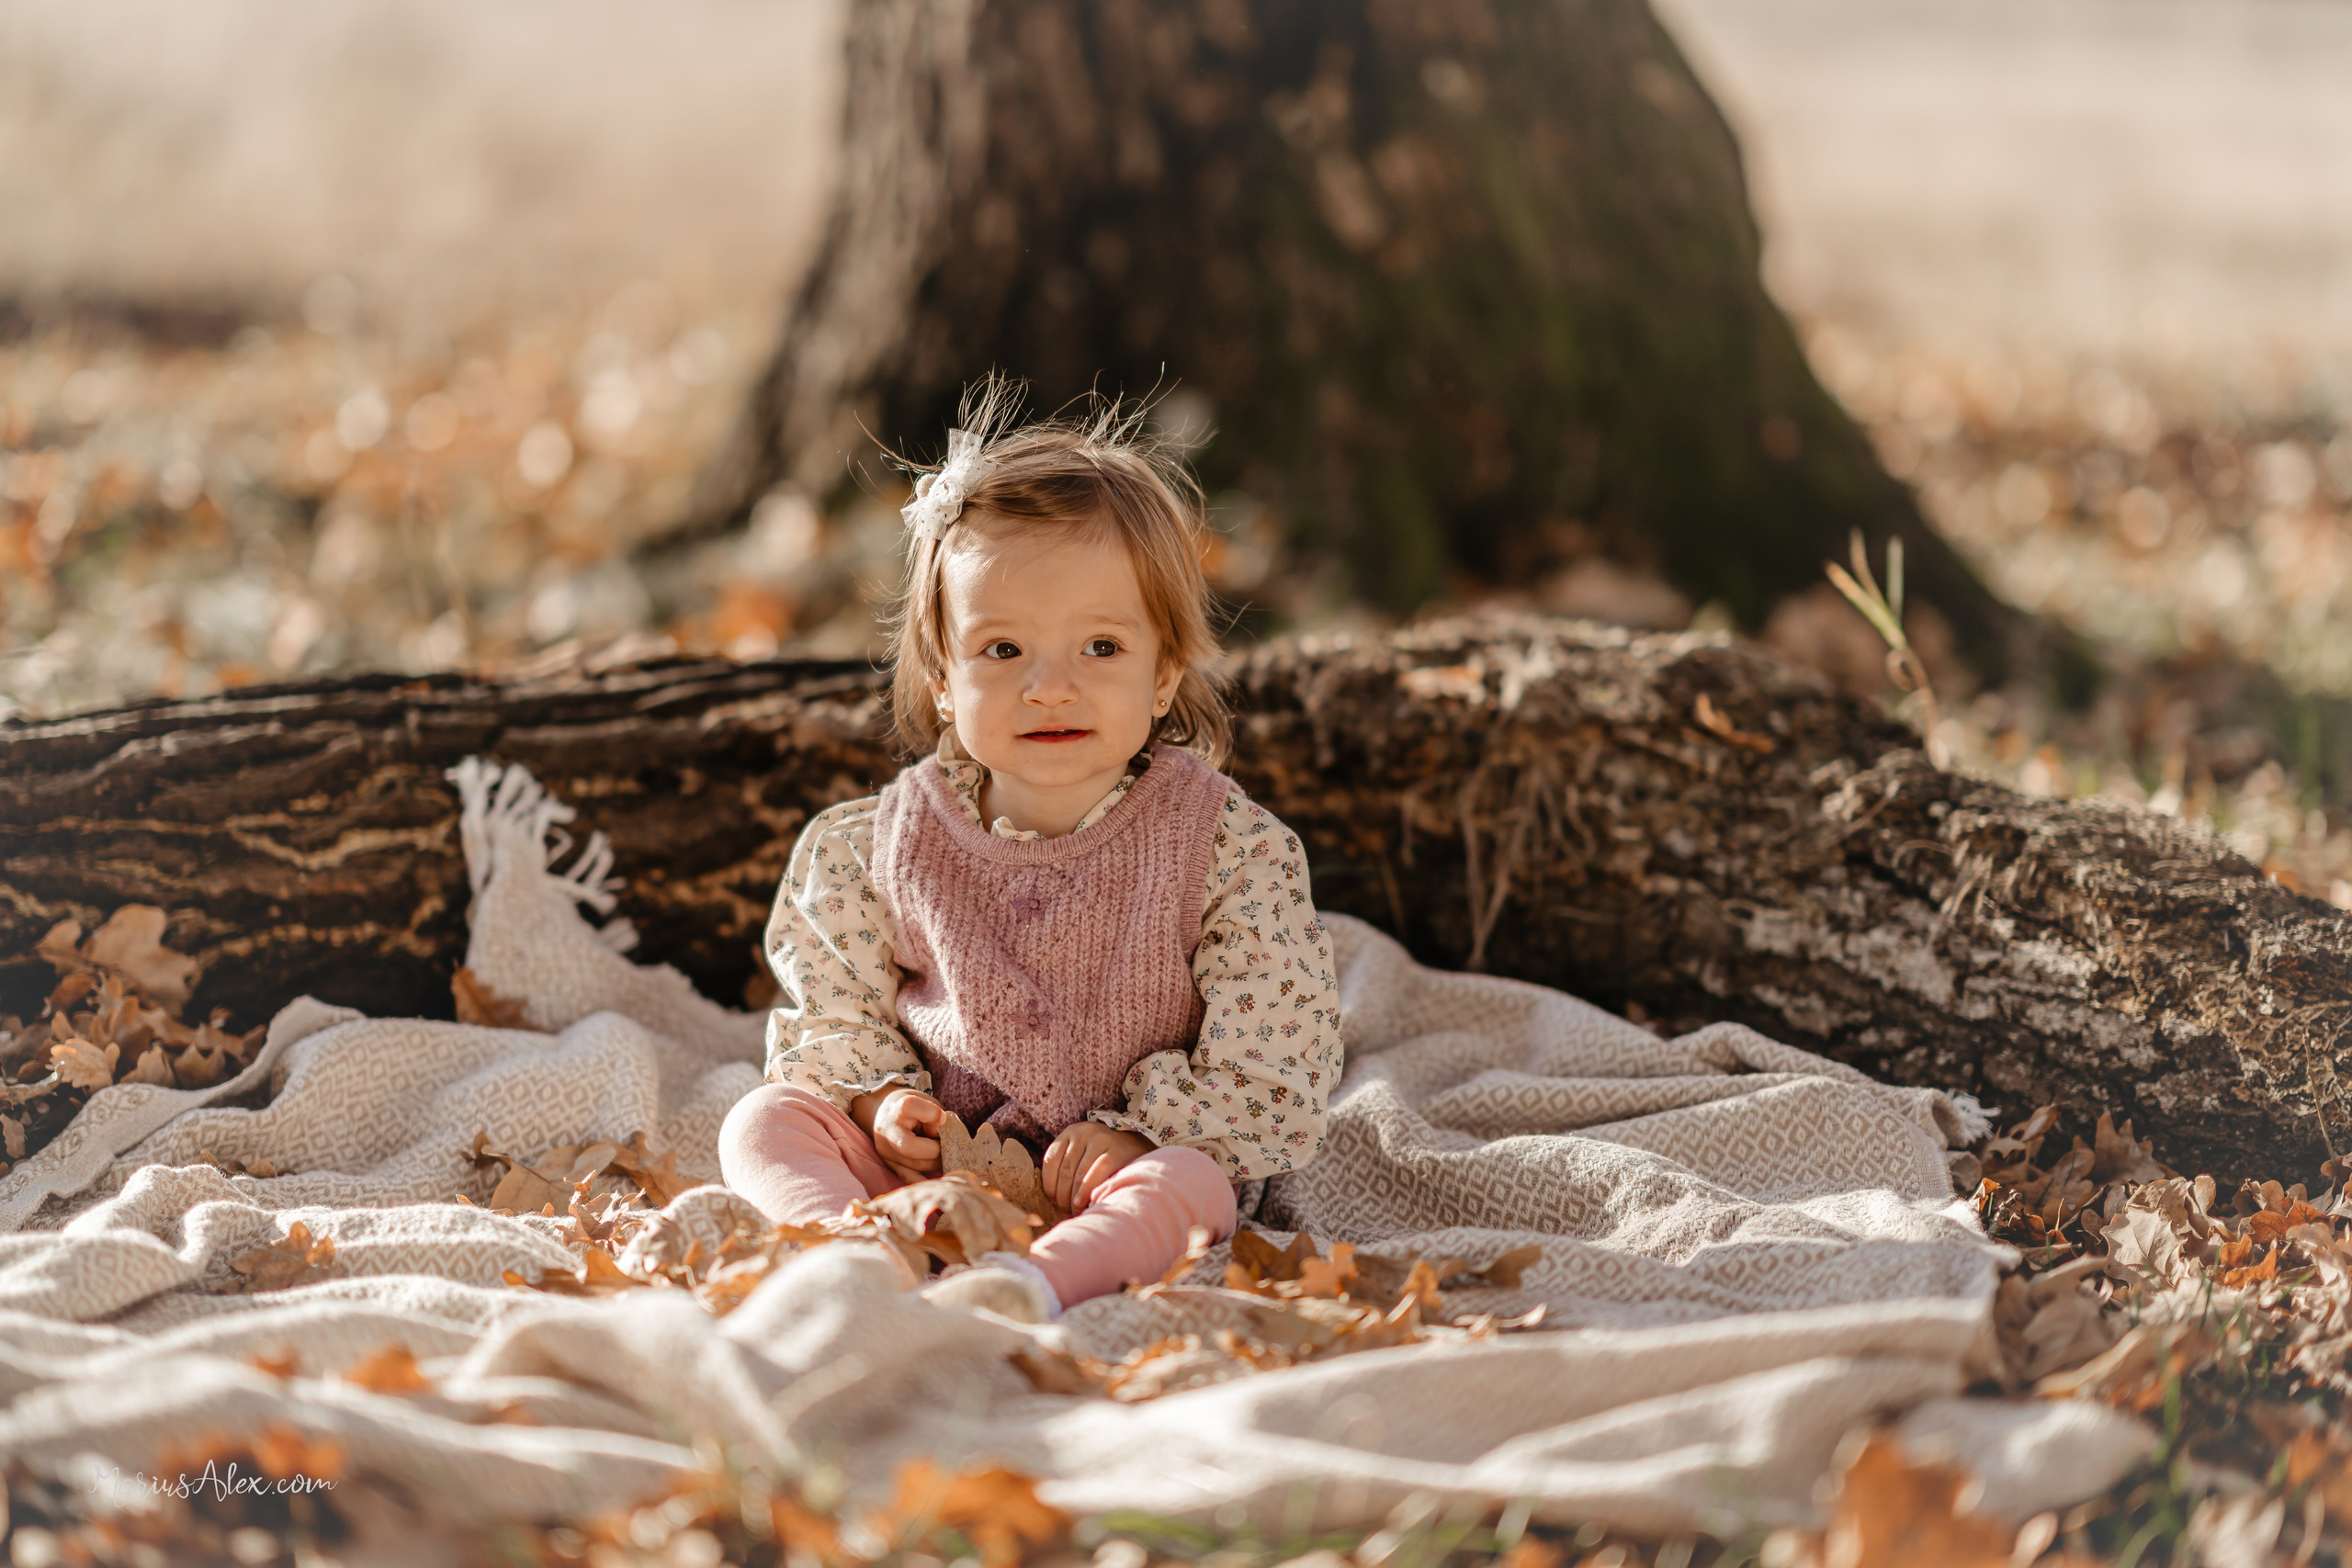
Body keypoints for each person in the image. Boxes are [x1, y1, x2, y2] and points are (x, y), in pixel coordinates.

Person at [718, 382, 1342, 1321]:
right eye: (1003, 651)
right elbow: (833, 1006)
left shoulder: (1225, 849)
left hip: (1120, 1169)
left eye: (1099, 647)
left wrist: (1136, 1135)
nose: (1050, 689)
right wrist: (883, 1108)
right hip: (930, 1168)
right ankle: (857, 1250)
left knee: (1197, 1192)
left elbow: (1270, 1059)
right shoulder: (874, 845)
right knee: (763, 1121)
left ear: (1164, 671)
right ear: (940, 677)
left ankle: (1036, 1282)